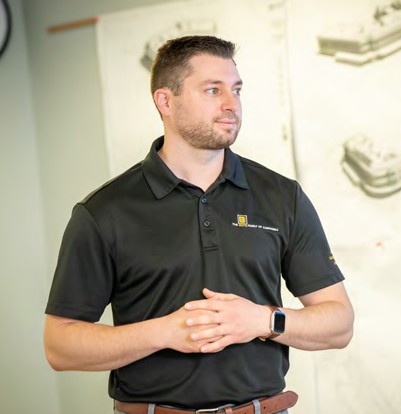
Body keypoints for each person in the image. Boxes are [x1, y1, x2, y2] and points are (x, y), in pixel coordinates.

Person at [44, 35, 354, 414]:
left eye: (236, 90)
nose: (231, 104)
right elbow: (60, 346)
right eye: (212, 90)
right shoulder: (104, 211)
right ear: (165, 101)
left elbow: (339, 323)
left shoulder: (281, 196)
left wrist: (263, 320)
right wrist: (165, 332)